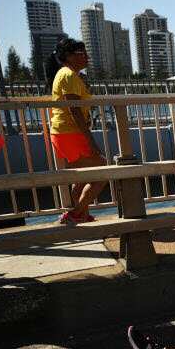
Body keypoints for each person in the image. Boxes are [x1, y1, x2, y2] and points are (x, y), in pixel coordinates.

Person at [45, 38, 109, 225]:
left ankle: (81, 214)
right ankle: (75, 213)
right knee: (103, 170)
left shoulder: (68, 74)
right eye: (82, 53)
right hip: (70, 133)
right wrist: (90, 139)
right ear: (69, 56)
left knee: (82, 177)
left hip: (64, 133)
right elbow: (73, 109)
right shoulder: (68, 75)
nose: (87, 57)